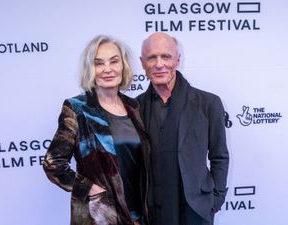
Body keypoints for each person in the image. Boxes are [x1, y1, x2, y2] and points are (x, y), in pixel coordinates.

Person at [43, 35, 151, 225]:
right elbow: (53, 164)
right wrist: (90, 188)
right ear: (90, 69)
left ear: (123, 66)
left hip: (139, 216)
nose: (107, 69)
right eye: (98, 63)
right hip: (100, 215)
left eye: (114, 61)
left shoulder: (134, 107)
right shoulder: (77, 108)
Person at [137, 32, 229, 225]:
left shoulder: (208, 103)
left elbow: (219, 156)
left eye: (166, 56)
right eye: (152, 57)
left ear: (178, 60)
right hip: (152, 212)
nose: (159, 64)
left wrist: (215, 200)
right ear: (142, 63)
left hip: (197, 210)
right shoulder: (135, 108)